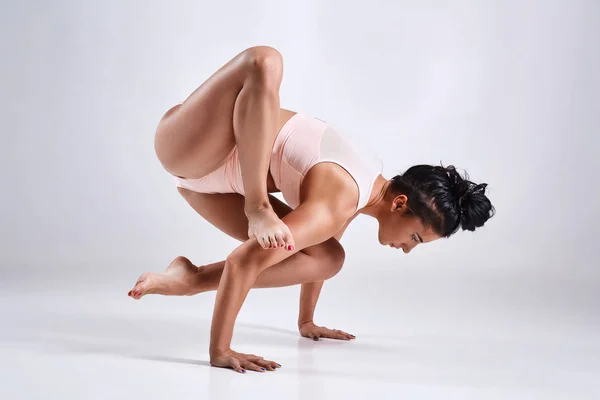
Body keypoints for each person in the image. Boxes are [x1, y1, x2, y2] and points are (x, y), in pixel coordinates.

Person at [127, 46, 495, 374]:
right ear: (400, 204)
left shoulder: (362, 186)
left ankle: (189, 275)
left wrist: (307, 321)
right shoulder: (339, 200)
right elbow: (243, 260)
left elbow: (320, 244)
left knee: (330, 257)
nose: (408, 248)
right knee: (265, 61)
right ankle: (251, 212)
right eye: (415, 237)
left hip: (210, 187)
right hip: (189, 146)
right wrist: (220, 350)